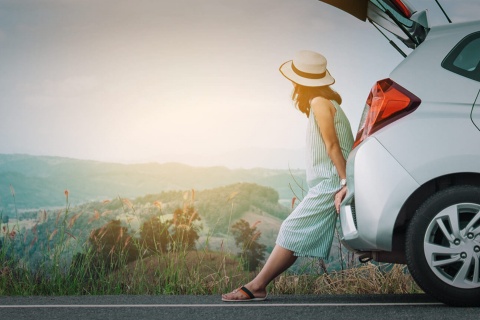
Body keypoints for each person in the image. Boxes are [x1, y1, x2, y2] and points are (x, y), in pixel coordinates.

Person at [221, 50, 354, 302]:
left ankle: (256, 286)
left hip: (331, 182)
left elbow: (332, 146)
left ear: (300, 82)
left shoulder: (318, 102)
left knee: (291, 229)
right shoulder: (329, 102)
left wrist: (345, 182)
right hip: (332, 180)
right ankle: (257, 285)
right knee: (292, 230)